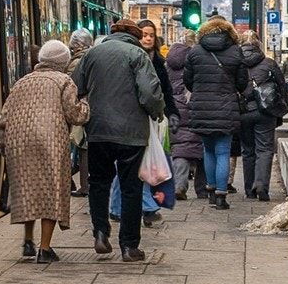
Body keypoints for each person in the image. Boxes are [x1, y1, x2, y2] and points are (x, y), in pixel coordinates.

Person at [72, 17, 165, 262]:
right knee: (131, 188)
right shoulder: (138, 55)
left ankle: (101, 232)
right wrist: (158, 113)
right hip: (131, 133)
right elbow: (149, 93)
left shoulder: (92, 54)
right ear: (134, 36)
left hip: (99, 130)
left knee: (99, 183)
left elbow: (76, 87)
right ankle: (129, 246)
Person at [0, 39, 90, 264]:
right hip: (51, 142)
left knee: (29, 191)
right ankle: (45, 249)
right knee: (51, 192)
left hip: (19, 143)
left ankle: (28, 240)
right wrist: (85, 105)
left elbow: (2, 120)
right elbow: (75, 115)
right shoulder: (64, 81)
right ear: (63, 62)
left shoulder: (22, 82)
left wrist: (3, 146)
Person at [109, 19, 177, 226]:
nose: (148, 38)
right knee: (134, 164)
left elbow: (165, 91)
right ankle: (145, 206)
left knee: (143, 163)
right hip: (132, 118)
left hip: (153, 119)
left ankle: (119, 207)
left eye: (151, 35)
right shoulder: (130, 56)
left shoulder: (159, 61)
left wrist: (171, 113)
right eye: (144, 34)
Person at [182, 16, 248, 210]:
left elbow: (188, 81)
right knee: (223, 152)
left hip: (201, 106)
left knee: (208, 150)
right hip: (226, 107)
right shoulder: (235, 52)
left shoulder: (195, 52)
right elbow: (243, 83)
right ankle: (221, 195)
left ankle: (210, 191)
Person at [238, 32, 288, 201]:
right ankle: (261, 185)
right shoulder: (269, 63)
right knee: (265, 149)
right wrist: (280, 111)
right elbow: (282, 87)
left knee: (248, 151)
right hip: (266, 111)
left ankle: (249, 190)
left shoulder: (236, 63)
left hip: (243, 111)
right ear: (258, 44)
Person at [165, 35, 207, 200]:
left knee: (180, 148)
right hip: (194, 104)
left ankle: (179, 185)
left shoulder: (167, 65)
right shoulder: (195, 62)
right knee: (201, 148)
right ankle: (202, 189)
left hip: (175, 108)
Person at [66, 27, 94, 196]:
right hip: (90, 108)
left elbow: (71, 87)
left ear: (77, 45)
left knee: (84, 148)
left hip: (82, 110)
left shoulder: (77, 62)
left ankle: (85, 186)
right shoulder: (93, 57)